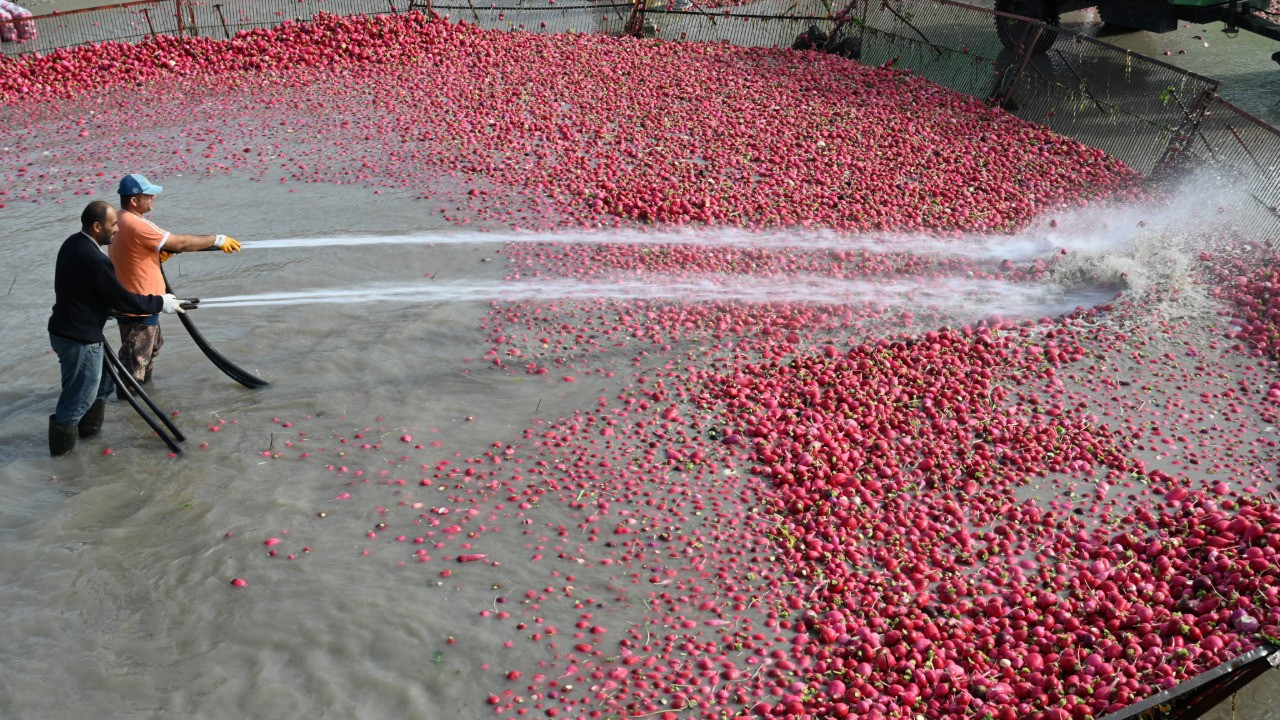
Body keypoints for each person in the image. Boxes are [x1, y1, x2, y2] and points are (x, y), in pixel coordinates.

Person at [48, 200, 189, 456]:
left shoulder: (72, 243)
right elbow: (122, 298)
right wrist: (160, 303)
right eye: (112, 225)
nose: (117, 229)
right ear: (96, 226)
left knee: (102, 386)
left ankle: (90, 443)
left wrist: (105, 308)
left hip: (67, 330)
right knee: (78, 398)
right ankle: (62, 462)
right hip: (79, 338)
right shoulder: (96, 259)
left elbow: (80, 290)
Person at [110, 173, 240, 390]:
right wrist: (217, 239)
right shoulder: (136, 224)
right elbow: (180, 243)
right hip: (140, 307)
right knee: (134, 367)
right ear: (134, 200)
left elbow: (134, 252)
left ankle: (145, 397)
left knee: (148, 354)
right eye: (148, 195)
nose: (153, 198)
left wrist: (156, 256)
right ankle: (132, 404)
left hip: (140, 303)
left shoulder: (119, 218)